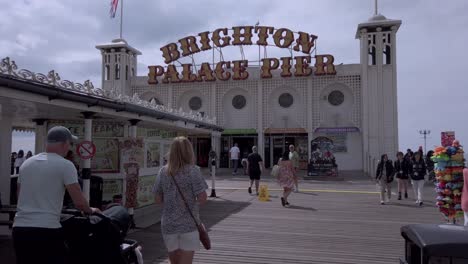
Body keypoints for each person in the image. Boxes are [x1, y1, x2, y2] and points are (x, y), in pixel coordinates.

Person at [12, 126, 100, 264]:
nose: (69, 148)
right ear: (64, 143)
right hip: (47, 230)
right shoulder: (65, 165)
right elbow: (80, 203)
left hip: (20, 230)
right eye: (70, 144)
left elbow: (20, 195)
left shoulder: (26, 164)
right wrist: (91, 210)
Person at [153, 137, 208, 264]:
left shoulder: (163, 171)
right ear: (189, 151)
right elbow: (203, 198)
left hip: (168, 225)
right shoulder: (193, 171)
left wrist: (171, 202)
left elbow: (157, 199)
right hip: (188, 225)